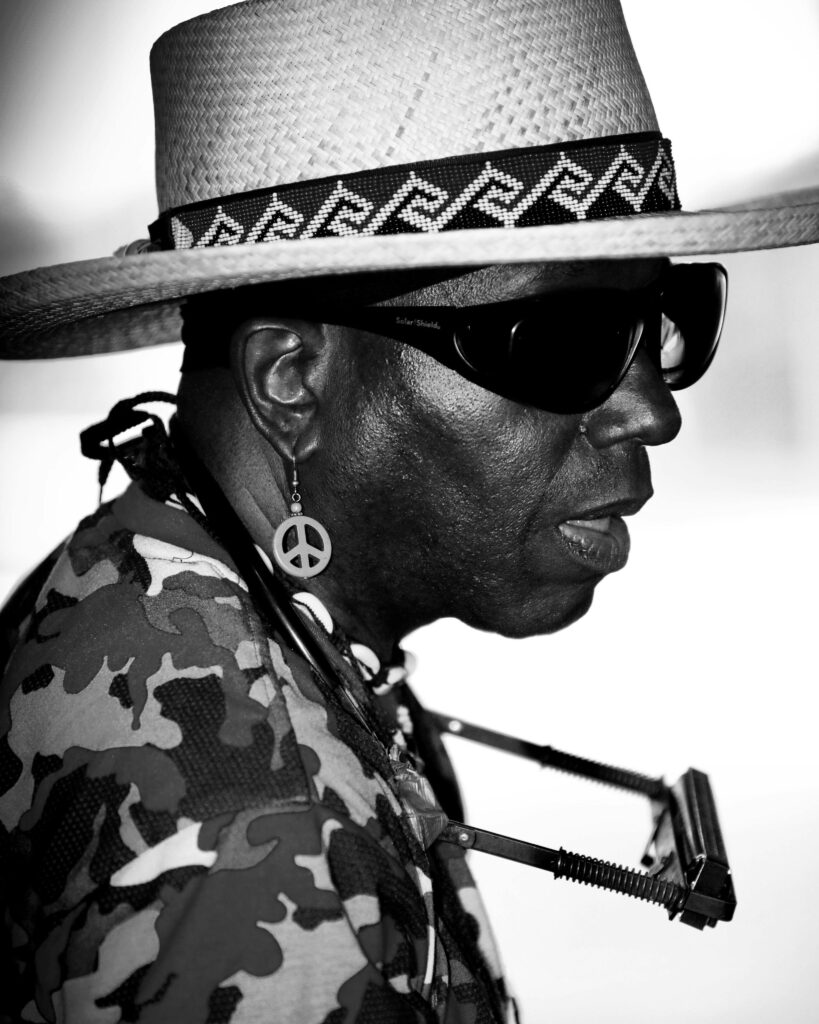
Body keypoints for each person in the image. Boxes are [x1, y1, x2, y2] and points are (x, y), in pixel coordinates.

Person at [0, 0, 816, 1021]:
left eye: (670, 319)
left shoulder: (146, 557)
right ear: (291, 380)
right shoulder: (274, 867)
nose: (652, 410)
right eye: (563, 337)